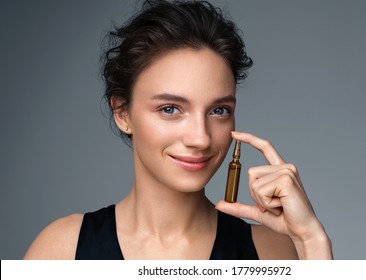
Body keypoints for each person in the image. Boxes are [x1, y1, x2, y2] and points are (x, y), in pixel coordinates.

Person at [24, 0, 332, 260]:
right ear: (122, 112)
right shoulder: (61, 249)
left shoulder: (269, 251)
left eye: (219, 110)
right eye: (170, 109)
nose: (200, 138)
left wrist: (312, 241)